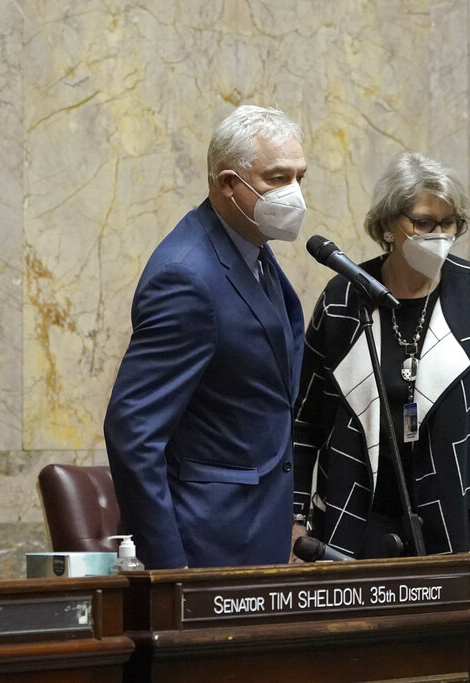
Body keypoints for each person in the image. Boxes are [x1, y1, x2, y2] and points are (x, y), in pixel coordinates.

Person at [293, 151, 470, 558]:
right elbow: (304, 424)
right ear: (387, 226)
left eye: (450, 223)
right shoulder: (343, 298)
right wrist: (296, 520)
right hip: (356, 521)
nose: (439, 235)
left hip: (463, 521)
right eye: (424, 222)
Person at [104, 105, 308, 569]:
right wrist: (169, 572)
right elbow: (133, 432)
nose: (293, 194)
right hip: (206, 543)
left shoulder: (251, 250)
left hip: (259, 532)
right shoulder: (186, 276)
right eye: (276, 178)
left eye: (299, 176)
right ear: (228, 183)